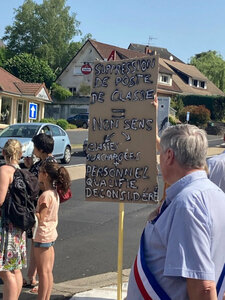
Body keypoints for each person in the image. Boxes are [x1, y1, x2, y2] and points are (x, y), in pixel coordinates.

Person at [127, 124, 225, 300]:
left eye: (161, 154)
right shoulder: (215, 194)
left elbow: (203, 287)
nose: (159, 160)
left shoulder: (188, 204)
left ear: (169, 156)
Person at [33, 160, 71, 300]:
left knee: (42, 273)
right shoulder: (54, 193)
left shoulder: (45, 196)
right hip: (50, 234)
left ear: (45, 175)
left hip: (42, 235)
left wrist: (31, 212)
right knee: (48, 271)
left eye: (40, 172)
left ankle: (41, 298)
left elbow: (40, 217)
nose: (38, 174)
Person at [23, 133, 56, 292]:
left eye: (35, 147)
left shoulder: (46, 166)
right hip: (45, 207)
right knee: (39, 245)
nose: (33, 150)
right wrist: (30, 167)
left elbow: (35, 183)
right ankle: (32, 276)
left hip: (41, 207)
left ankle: (34, 278)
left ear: (40, 148)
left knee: (39, 244)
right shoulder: (47, 162)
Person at [0, 139, 27, 300]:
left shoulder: (4, 170)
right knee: (15, 269)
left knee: (4, 271)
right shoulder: (22, 171)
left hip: (5, 226)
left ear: (4, 152)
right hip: (18, 226)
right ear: (20, 154)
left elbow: (0, 199)